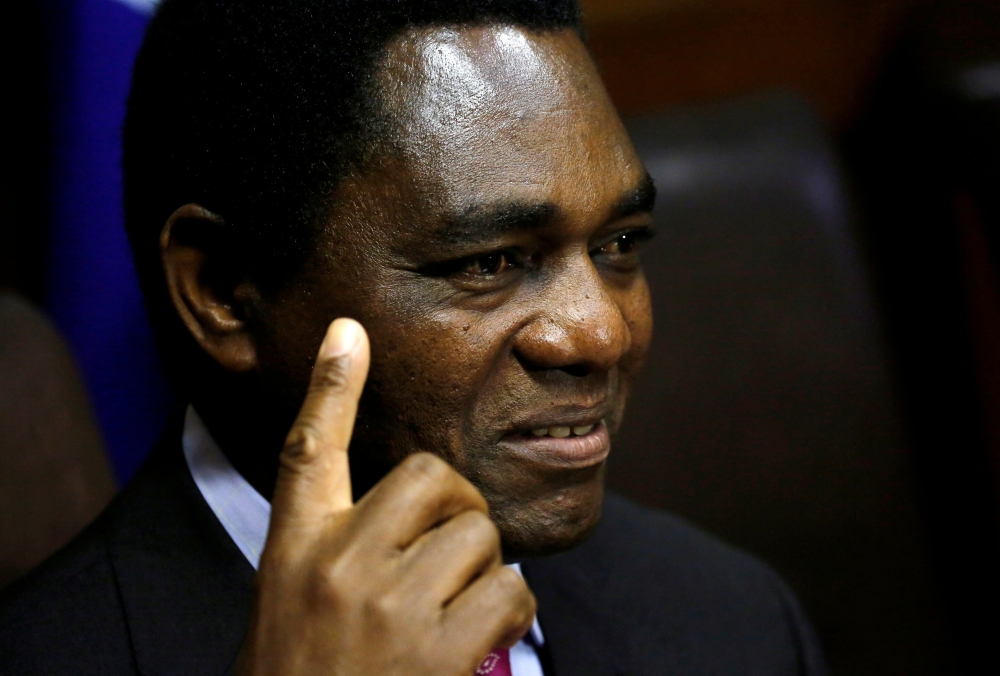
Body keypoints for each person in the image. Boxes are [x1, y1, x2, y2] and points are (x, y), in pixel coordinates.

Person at [0, 1, 827, 674]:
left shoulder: (730, 620)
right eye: (491, 261)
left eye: (618, 245)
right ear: (221, 291)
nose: (601, 332)